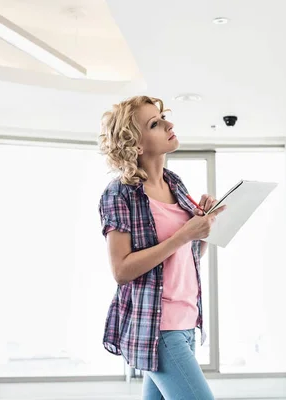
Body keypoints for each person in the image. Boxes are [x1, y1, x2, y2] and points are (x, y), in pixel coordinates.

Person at [98, 95, 225, 399]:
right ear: (136, 144)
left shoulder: (174, 183)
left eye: (163, 117)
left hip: (186, 322)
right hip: (159, 328)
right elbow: (121, 270)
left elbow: (187, 255)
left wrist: (203, 229)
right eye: (155, 123)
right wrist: (183, 234)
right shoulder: (119, 194)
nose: (169, 124)